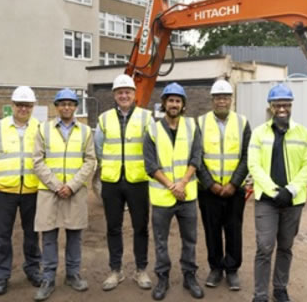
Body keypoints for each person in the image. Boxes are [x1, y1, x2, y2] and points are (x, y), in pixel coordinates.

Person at [248, 84, 307, 302]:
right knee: (264, 247)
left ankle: (280, 288)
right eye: (278, 104)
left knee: (286, 247)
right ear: (271, 106)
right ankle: (260, 294)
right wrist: (274, 191)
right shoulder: (259, 133)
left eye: (286, 104)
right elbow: (254, 165)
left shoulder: (303, 132)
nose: (282, 108)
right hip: (267, 201)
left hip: (293, 201)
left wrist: (290, 190)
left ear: (291, 105)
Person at [0, 85, 42, 296]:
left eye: (28, 105)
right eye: (20, 105)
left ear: (33, 107)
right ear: (12, 105)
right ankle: (2, 275)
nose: (23, 109)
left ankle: (33, 270)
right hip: (4, 191)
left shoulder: (40, 128)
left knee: (32, 235)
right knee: (2, 236)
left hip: (33, 190)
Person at [32, 88, 97, 301]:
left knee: (74, 236)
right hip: (50, 193)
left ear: (76, 107)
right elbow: (37, 161)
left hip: (75, 193)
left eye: (70, 103)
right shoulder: (44, 129)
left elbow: (90, 161)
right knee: (49, 236)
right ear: (56, 107)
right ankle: (48, 278)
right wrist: (57, 185)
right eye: (62, 103)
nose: (66, 107)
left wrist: (72, 185)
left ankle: (72, 274)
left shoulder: (86, 131)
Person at [143, 82, 205, 301]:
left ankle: (190, 276)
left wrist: (183, 183)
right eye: (170, 100)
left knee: (190, 239)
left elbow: (196, 158)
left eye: (178, 101)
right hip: (162, 197)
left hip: (187, 195)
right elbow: (150, 165)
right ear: (164, 103)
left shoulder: (191, 127)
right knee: (161, 241)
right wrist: (172, 186)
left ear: (183, 104)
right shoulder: (152, 129)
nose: (174, 104)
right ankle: (163, 278)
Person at [95, 74, 153, 291]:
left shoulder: (146, 118)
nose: (124, 95)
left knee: (141, 227)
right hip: (111, 181)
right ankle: (115, 270)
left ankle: (141, 269)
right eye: (120, 92)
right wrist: (112, 166)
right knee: (113, 227)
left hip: (137, 180)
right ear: (114, 95)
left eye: (127, 91)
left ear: (134, 94)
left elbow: (151, 148)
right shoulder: (104, 119)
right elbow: (99, 148)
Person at [197, 79, 251, 291]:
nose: (222, 101)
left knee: (233, 230)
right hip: (208, 190)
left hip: (234, 191)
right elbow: (196, 157)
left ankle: (232, 270)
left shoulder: (242, 122)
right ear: (212, 100)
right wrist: (210, 183)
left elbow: (247, 156)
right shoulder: (200, 123)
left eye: (225, 97)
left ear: (231, 100)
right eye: (218, 97)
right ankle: (216, 268)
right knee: (211, 230)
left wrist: (234, 183)